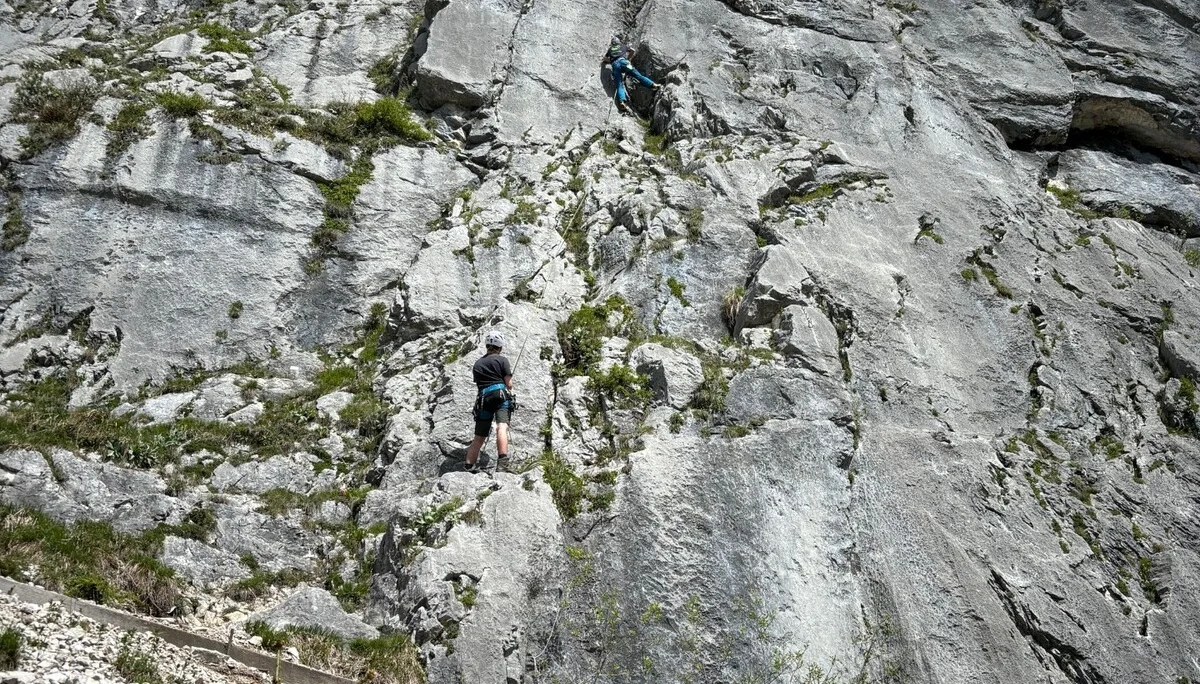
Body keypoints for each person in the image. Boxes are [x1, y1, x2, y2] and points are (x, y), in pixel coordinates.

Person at [465, 330, 514, 473]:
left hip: (483, 400)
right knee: (502, 427)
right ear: (500, 346)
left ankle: (468, 466)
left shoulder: (478, 364)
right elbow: (509, 384)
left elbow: (480, 383)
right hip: (500, 396)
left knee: (479, 437)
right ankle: (502, 463)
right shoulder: (502, 360)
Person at [603, 36, 659, 114]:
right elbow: (632, 50)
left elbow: (605, 59)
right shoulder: (623, 46)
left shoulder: (610, 49)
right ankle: (653, 85)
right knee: (639, 76)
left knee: (619, 84)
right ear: (619, 42)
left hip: (615, 65)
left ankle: (622, 101)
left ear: (612, 43)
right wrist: (628, 59)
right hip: (624, 62)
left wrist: (610, 61)